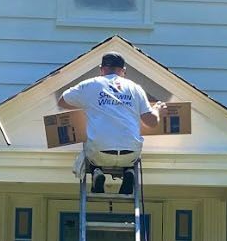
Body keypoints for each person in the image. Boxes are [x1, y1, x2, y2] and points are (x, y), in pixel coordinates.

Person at [57, 53, 162, 196]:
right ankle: (129, 172)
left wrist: (88, 104)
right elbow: (152, 122)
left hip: (99, 153)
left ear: (101, 69)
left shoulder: (90, 85)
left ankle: (97, 172)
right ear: (123, 70)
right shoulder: (135, 88)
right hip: (130, 154)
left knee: (90, 144)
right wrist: (156, 109)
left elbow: (62, 101)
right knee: (127, 146)